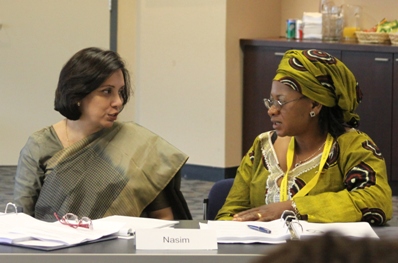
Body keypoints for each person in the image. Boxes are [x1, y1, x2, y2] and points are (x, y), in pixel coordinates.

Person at [14, 47, 192, 222]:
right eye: (107, 91)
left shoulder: (137, 144)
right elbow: (21, 220)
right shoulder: (40, 145)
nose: (118, 102)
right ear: (77, 94)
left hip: (120, 247)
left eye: (120, 92)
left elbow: (163, 217)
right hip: (53, 247)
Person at [216, 49, 392, 225]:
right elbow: (230, 212)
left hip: (325, 251)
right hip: (262, 251)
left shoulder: (353, 146)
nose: (272, 110)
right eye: (271, 101)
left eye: (281, 101)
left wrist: (292, 207)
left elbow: (376, 201)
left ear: (314, 105)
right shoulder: (262, 146)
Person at [252, 232, 398, 263]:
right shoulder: (259, 153)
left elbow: (373, 199)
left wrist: (292, 205)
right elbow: (235, 206)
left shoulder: (361, 152)